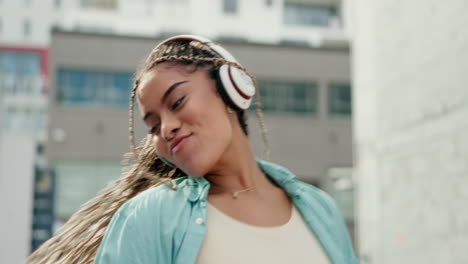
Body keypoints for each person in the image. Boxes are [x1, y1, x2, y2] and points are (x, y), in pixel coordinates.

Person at [26, 35, 358, 264]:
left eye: (178, 101)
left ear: (231, 89)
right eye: (153, 126)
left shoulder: (320, 210)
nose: (166, 128)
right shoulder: (148, 218)